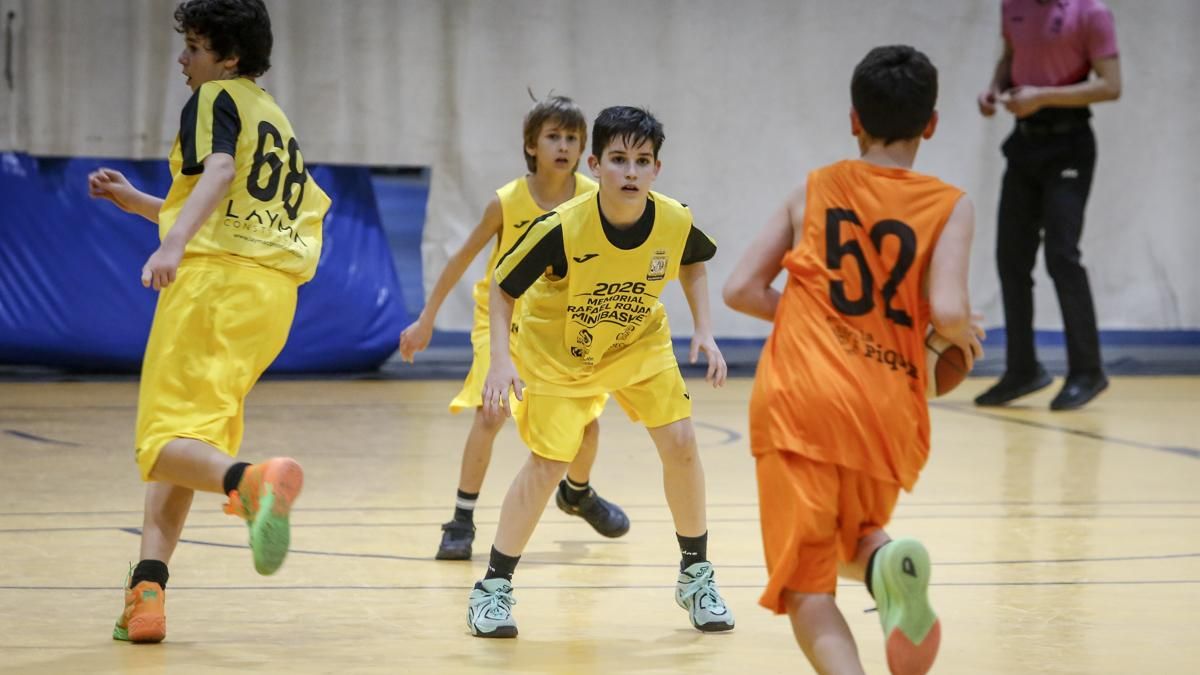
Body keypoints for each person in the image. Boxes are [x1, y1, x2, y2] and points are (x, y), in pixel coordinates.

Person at [723, 46, 984, 674]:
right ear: (931, 124)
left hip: (801, 400)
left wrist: (811, 314)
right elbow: (950, 310)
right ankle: (884, 561)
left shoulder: (815, 188)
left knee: (806, 584)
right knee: (855, 533)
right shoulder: (951, 204)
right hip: (888, 405)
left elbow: (741, 289)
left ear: (853, 120)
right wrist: (964, 332)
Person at [87, 0, 330, 644]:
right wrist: (140, 204)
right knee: (187, 443)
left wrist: (170, 246)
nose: (182, 59)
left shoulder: (212, 97)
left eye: (194, 47)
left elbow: (218, 173)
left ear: (228, 58)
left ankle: (251, 483)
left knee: (160, 441)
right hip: (269, 296)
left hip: (215, 287)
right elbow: (229, 204)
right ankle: (147, 595)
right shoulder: (272, 115)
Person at [465, 106, 734, 638]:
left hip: (637, 342)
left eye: (642, 161)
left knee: (681, 443)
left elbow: (692, 261)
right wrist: (499, 360)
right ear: (595, 164)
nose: (631, 172)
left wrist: (704, 329)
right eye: (618, 160)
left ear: (657, 169)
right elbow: (502, 287)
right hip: (558, 354)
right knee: (548, 464)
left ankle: (696, 575)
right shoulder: (561, 227)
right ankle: (492, 589)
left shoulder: (673, 218)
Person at [399, 96, 629, 561]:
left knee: (587, 425)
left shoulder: (594, 196)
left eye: (571, 138)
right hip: (502, 319)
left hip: (561, 325)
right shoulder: (506, 202)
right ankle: (461, 519)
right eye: (553, 137)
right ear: (531, 145)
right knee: (491, 410)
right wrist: (426, 319)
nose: (563, 146)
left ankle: (576, 493)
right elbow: (460, 259)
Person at [975, 0, 1121, 411]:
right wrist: (995, 89)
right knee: (1010, 257)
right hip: (1025, 142)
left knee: (1062, 255)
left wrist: (1044, 97)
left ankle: (1088, 371)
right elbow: (1010, 56)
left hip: (1069, 143)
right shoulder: (1012, 6)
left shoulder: (1091, 13)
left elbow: (1111, 85)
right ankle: (1022, 369)